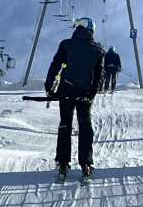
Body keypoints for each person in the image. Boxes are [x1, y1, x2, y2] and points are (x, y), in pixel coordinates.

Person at [44, 17, 106, 182]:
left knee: (65, 125)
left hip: (66, 90)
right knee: (85, 126)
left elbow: (55, 65)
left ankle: (63, 163)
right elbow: (99, 76)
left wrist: (49, 87)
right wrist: (91, 94)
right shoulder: (99, 50)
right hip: (84, 92)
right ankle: (86, 164)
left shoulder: (66, 44)